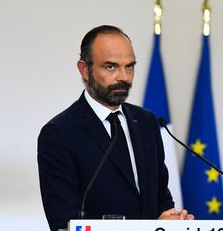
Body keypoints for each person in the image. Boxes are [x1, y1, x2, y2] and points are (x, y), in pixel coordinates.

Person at [37, 25, 194, 231]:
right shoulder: (58, 134)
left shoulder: (146, 122)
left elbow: (161, 202)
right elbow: (65, 224)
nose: (124, 76)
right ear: (85, 70)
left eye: (129, 66)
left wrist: (175, 222)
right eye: (111, 67)